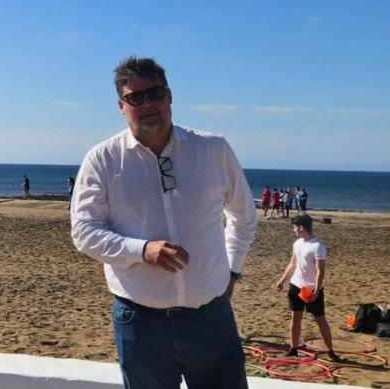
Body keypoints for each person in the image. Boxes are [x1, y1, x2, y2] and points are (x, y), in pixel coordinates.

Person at [70, 56, 257, 389]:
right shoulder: (102, 159)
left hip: (211, 319)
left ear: (169, 95)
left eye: (154, 93)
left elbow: (243, 216)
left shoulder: (213, 149)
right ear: (121, 106)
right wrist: (142, 250)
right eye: (135, 97)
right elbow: (84, 232)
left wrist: (232, 270)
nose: (147, 103)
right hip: (140, 323)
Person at [273, 214, 341, 361]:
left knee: (320, 320)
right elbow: (292, 264)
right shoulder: (297, 243)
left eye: (295, 227)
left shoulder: (318, 247)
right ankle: (293, 348)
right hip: (296, 285)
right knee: (295, 318)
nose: (293, 230)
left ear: (301, 227)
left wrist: (316, 291)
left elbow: (320, 272)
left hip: (312, 289)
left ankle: (330, 351)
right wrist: (282, 280)